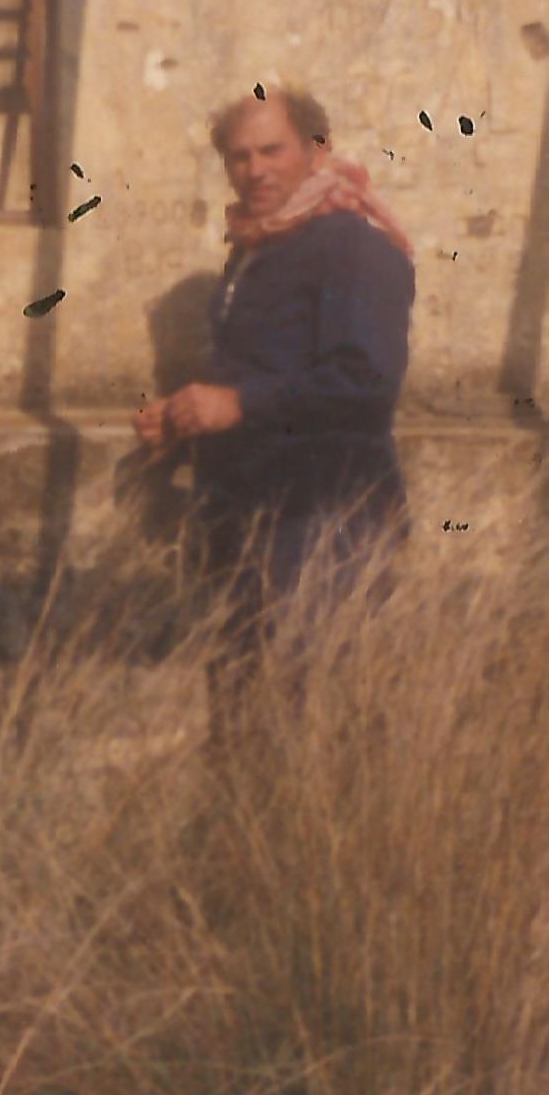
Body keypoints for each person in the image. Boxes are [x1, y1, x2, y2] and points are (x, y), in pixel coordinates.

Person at [136, 88, 415, 731]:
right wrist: (184, 419)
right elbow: (263, 373)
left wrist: (238, 403)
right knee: (248, 714)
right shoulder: (257, 249)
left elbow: (367, 381)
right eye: (238, 158)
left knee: (319, 720)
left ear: (316, 151)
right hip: (253, 516)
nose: (255, 170)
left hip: (327, 518)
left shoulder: (351, 244)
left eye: (271, 150)